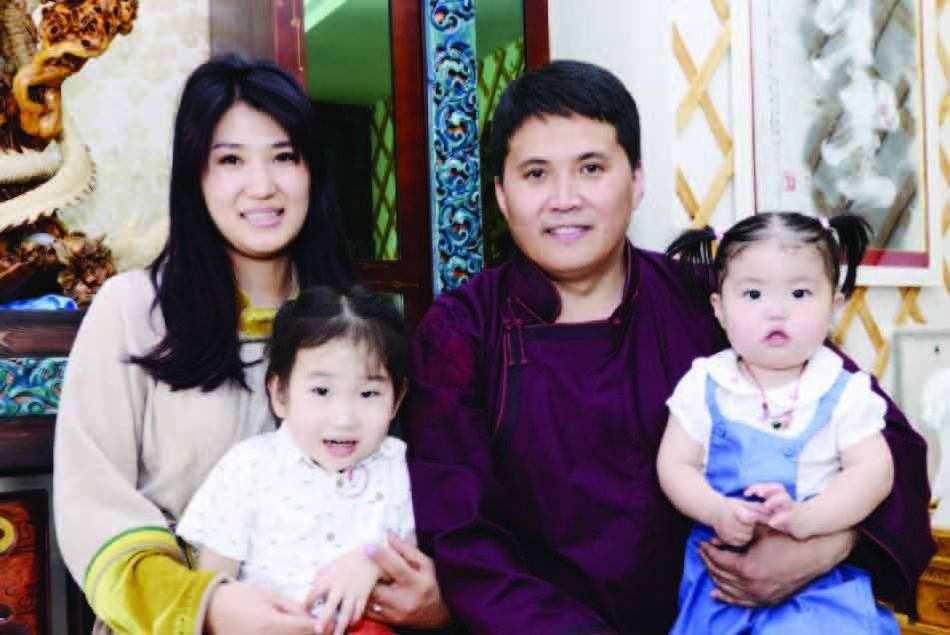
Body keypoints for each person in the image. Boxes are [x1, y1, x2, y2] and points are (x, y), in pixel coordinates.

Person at [405, 60, 933, 633]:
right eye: (536, 174)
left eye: (590, 168)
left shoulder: (714, 301)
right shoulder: (462, 331)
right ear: (502, 195)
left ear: (636, 180)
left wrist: (825, 546)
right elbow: (463, 539)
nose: (564, 198)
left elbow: (890, 449)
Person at [53, 55, 449, 634]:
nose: (262, 186)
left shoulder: (357, 326)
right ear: (195, 177)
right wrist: (206, 606)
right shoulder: (132, 310)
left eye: (284, 157)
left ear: (312, 172)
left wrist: (433, 600)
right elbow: (94, 505)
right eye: (231, 160)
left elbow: (409, 498)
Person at [658, 212, 897, 634]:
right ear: (720, 309)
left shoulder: (842, 391)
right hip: (721, 584)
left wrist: (808, 519)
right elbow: (675, 465)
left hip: (817, 592)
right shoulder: (706, 384)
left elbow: (874, 472)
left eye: (800, 293)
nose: (777, 312)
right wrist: (715, 509)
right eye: (753, 294)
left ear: (834, 305)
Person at [177, 285, 415, 635]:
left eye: (368, 393)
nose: (344, 418)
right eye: (321, 391)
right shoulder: (248, 468)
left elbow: (415, 561)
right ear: (280, 393)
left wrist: (373, 563)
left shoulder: (400, 469)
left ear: (397, 398)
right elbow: (214, 584)